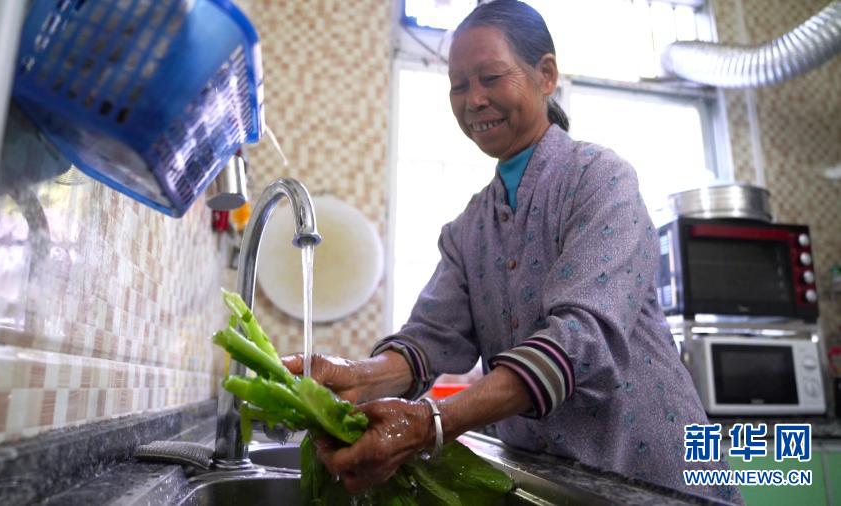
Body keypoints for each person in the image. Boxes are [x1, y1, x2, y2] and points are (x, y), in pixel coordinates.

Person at [284, 0, 740, 502]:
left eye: (490, 78)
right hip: (548, 482)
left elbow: (580, 341)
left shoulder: (601, 179)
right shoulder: (468, 228)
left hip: (656, 477)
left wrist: (433, 422)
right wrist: (356, 377)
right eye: (459, 85)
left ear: (546, 75)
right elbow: (430, 340)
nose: (473, 100)